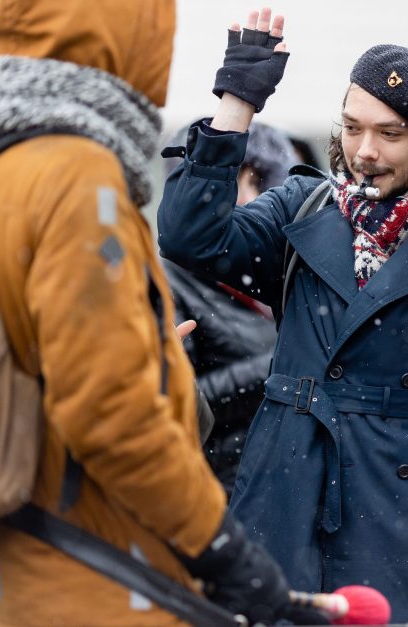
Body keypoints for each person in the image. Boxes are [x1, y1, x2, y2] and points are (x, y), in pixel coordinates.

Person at [0, 1, 323, 624]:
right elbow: (111, 412)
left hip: (18, 554)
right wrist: (224, 550)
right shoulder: (75, 174)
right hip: (93, 563)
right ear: (130, 31)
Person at [157, 7, 408, 625]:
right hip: (294, 487)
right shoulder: (302, 208)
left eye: (390, 134)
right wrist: (235, 106)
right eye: (353, 128)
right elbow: (190, 238)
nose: (363, 151)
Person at [163, 121, 298, 496]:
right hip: (217, 491)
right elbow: (182, 401)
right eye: (229, 184)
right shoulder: (165, 280)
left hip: (281, 487)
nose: (245, 197)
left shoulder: (280, 275)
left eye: (257, 182)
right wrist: (284, 367)